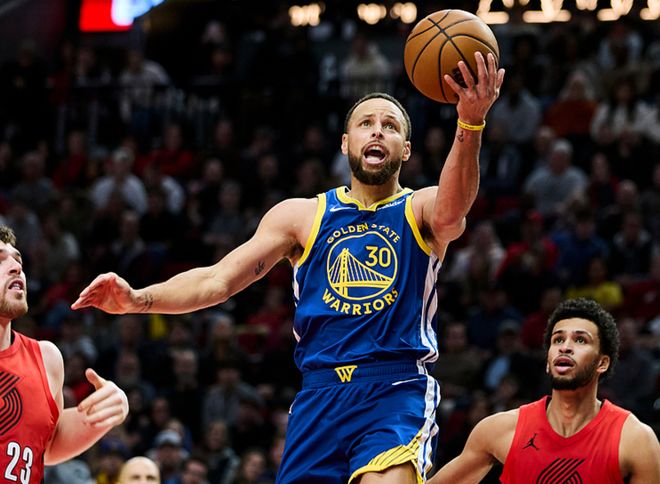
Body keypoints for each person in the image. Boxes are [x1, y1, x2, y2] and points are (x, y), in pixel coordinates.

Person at [73, 52, 504, 483]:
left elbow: (453, 212)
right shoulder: (302, 216)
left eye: (390, 126)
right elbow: (217, 280)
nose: (377, 130)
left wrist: (470, 123)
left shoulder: (420, 207)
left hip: (392, 388)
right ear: (345, 143)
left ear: (405, 150)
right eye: (366, 123)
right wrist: (139, 299)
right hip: (319, 393)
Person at [428, 298, 660, 483]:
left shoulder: (636, 439)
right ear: (548, 361)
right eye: (558, 340)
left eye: (580, 340)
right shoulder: (499, 430)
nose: (565, 347)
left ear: (602, 363)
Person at [0, 225, 128, 482]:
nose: (16, 267)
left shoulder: (46, 358)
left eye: (18, 260)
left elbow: (47, 445)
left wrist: (99, 415)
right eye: (1, 260)